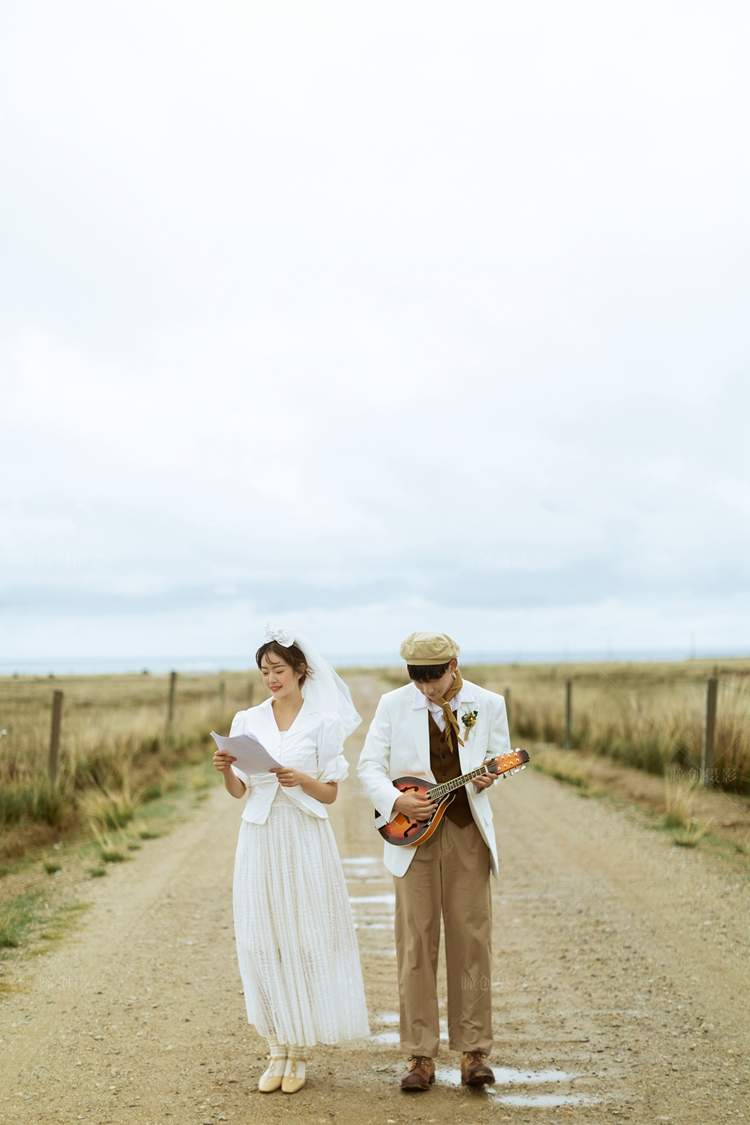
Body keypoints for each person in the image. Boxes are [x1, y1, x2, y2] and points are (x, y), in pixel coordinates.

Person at [213, 625, 370, 1094]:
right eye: (264, 671)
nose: (271, 678)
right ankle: (275, 1047)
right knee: (263, 939)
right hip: (260, 837)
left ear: (302, 670)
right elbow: (241, 791)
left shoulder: (323, 723)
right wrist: (224, 770)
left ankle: (299, 1050)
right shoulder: (247, 719)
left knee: (303, 937)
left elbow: (332, 793)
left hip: (303, 835)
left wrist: (301, 779)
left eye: (278, 669)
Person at [358, 631, 509, 1091]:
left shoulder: (488, 702)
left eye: (435, 678)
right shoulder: (391, 704)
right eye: (418, 679)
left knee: (472, 943)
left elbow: (496, 759)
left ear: (454, 664)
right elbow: (368, 767)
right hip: (414, 842)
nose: (426, 688)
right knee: (415, 945)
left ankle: (474, 1052)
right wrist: (396, 803)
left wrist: (488, 780)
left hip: (467, 836)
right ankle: (420, 1056)